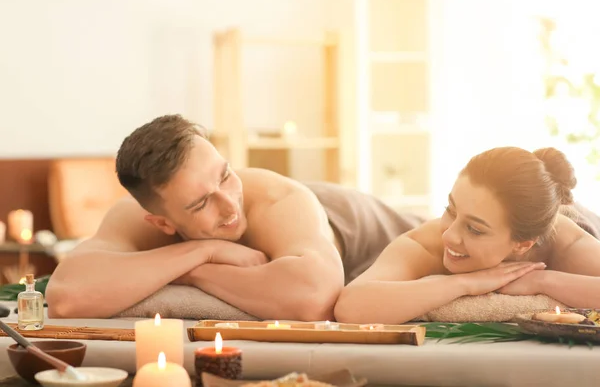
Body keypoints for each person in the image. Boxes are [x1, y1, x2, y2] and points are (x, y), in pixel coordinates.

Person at [46, 114, 422, 320]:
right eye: (200, 204)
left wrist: (190, 269)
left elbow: (313, 298)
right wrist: (199, 254)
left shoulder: (280, 200)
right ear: (162, 223)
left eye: (226, 175)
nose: (229, 205)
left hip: (386, 225)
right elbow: (66, 295)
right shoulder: (135, 216)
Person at [334, 146, 600, 324]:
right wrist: (464, 284)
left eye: (474, 229)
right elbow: (351, 306)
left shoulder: (568, 244)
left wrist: (543, 281)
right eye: (450, 209)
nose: (449, 236)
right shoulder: (430, 242)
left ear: (523, 245)